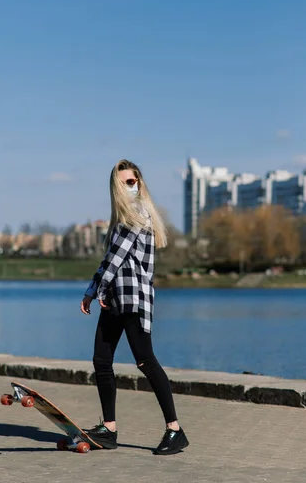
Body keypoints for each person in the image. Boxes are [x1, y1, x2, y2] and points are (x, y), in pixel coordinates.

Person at [80, 159, 189, 456]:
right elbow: (109, 259)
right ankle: (109, 429)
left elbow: (115, 261)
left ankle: (175, 430)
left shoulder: (138, 214)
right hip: (114, 297)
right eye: (126, 182)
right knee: (101, 360)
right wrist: (93, 291)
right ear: (116, 186)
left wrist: (98, 289)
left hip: (132, 298)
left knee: (145, 361)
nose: (133, 185)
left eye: (135, 180)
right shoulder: (120, 218)